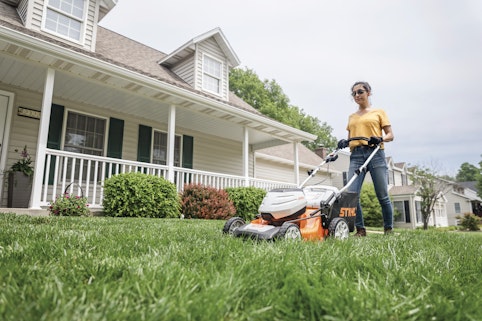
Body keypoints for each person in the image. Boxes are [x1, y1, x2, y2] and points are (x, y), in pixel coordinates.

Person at [337, 81, 394, 236]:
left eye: (360, 92)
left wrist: (379, 138)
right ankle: (360, 230)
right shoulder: (352, 117)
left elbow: (390, 135)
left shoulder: (379, 112)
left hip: (375, 154)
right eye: (354, 93)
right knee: (351, 194)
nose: (357, 95)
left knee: (382, 195)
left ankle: (388, 230)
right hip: (356, 155)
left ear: (369, 92)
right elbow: (351, 139)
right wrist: (344, 142)